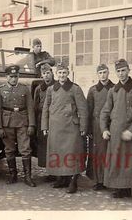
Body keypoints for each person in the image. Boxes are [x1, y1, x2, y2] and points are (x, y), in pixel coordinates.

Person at [100, 58, 132, 205]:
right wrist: (104, 129)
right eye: (118, 71)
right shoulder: (112, 91)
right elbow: (105, 111)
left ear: (128, 70)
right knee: (119, 162)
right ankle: (123, 188)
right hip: (116, 134)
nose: (121, 74)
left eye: (123, 70)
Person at [41, 63, 88, 193]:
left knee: (71, 153)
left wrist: (83, 126)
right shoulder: (51, 89)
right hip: (55, 126)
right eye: (60, 73)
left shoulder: (75, 89)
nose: (62, 75)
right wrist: (45, 126)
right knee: (58, 153)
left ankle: (73, 180)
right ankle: (61, 178)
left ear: (68, 73)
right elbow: (46, 108)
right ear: (57, 74)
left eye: (64, 73)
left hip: (71, 127)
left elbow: (83, 109)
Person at [0, 65, 36, 187]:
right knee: (9, 149)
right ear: (6, 77)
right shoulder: (1, 90)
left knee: (25, 149)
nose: (13, 79)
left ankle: (28, 177)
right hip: (7, 123)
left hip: (23, 122)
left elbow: (30, 108)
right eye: (11, 76)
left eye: (16, 76)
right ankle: (13, 175)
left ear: (18, 76)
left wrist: (31, 125)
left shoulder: (24, 89)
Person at [86, 64, 114, 191]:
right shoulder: (93, 90)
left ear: (108, 73)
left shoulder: (114, 88)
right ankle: (98, 180)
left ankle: (111, 179)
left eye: (105, 72)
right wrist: (88, 129)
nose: (103, 75)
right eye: (100, 73)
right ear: (97, 75)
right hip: (96, 126)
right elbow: (88, 110)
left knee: (110, 152)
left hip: (111, 125)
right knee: (97, 153)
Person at [33, 64, 55, 174]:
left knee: (55, 145)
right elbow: (35, 106)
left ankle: (56, 171)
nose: (46, 76)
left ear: (52, 73)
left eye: (48, 73)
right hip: (42, 119)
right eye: (44, 74)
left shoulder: (57, 86)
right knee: (44, 145)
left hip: (55, 119)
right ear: (41, 75)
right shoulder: (39, 89)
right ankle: (49, 171)